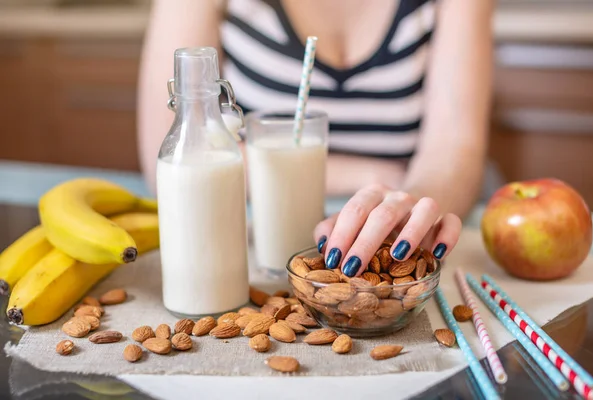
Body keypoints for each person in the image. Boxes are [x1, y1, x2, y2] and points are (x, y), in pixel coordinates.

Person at [137, 0, 494, 277]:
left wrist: (411, 204)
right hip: (244, 254)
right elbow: (174, 152)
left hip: (389, 231)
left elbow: (455, 146)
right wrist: (375, 177)